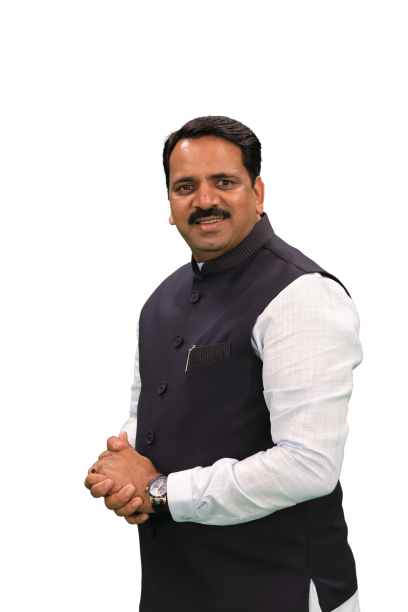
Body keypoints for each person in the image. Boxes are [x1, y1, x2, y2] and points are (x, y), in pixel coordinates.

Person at [84, 115, 363, 612]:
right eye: (185, 186)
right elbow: (145, 415)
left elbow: (309, 465)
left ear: (258, 193)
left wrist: (158, 491)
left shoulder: (304, 295)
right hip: (171, 588)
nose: (205, 200)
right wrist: (120, 470)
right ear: (170, 206)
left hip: (280, 590)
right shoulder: (158, 300)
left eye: (224, 182)